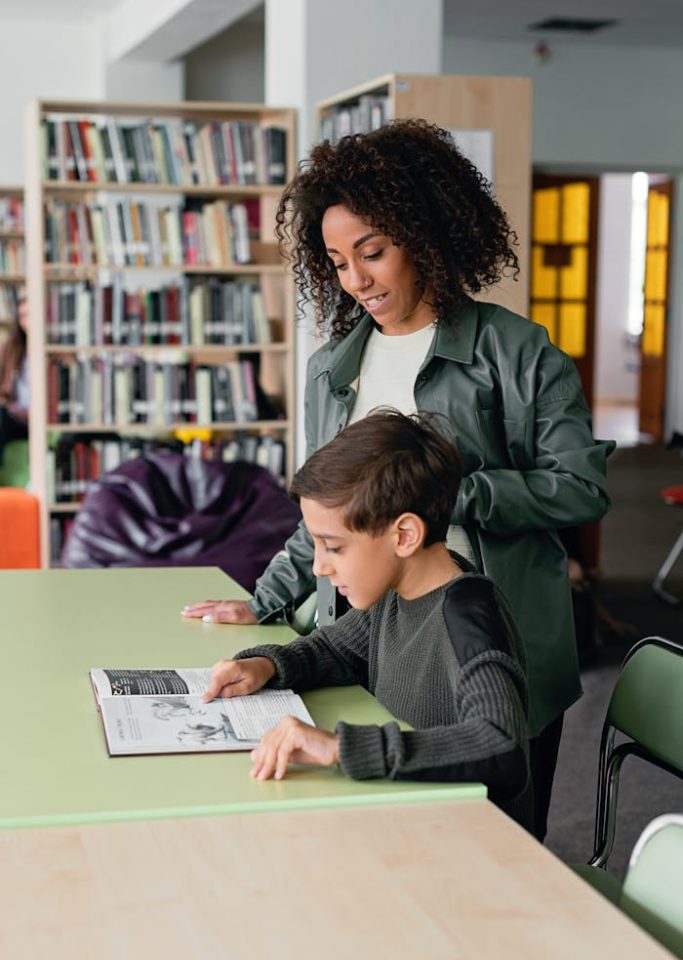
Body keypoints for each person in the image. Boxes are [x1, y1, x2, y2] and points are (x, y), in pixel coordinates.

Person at [183, 119, 614, 839]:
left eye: (373, 253)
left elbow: (580, 487)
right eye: (337, 260)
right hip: (378, 636)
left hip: (495, 637)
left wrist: (446, 494)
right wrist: (261, 604)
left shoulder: (517, 352)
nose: (356, 279)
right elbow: (326, 514)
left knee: (502, 843)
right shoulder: (333, 368)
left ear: (426, 234)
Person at [203, 410, 532, 829]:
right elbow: (334, 648)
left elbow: (502, 750)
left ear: (404, 535)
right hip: (406, 812)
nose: (318, 568)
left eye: (333, 548)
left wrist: (341, 749)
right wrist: (266, 664)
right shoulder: (396, 592)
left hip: (468, 843)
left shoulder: (469, 616)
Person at [0, 292, 28, 465]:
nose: (27, 321)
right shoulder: (10, 348)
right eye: (23, 316)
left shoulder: (51, 351)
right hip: (14, 416)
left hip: (41, 419)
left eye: (30, 315)